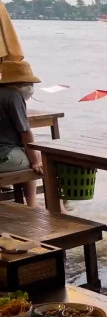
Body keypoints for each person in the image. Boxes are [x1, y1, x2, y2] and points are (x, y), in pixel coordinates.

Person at [0, 60, 42, 207]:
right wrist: (36, 161)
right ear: (18, 83)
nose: (30, 88)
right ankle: (33, 204)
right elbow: (25, 132)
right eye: (27, 83)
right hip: (4, 156)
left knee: (29, 153)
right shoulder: (13, 96)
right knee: (38, 158)